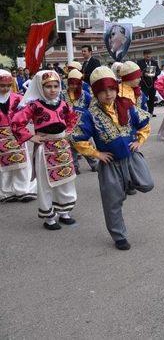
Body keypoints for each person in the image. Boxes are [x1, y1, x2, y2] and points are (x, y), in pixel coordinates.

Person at [72, 67, 154, 250]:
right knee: (112, 202)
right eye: (102, 91)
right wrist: (96, 154)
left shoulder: (126, 104)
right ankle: (119, 236)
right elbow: (76, 138)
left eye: (111, 89)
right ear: (95, 92)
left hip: (131, 157)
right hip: (109, 163)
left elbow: (145, 123)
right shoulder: (90, 114)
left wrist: (139, 140)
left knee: (147, 184)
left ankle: (127, 184)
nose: (108, 94)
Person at [11, 71, 79, 230]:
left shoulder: (62, 103)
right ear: (40, 87)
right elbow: (16, 122)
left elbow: (72, 117)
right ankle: (49, 217)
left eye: (56, 86)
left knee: (66, 180)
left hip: (62, 147)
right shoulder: (34, 105)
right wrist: (30, 137)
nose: (53, 89)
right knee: (45, 183)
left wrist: (68, 131)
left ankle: (64, 211)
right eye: (48, 86)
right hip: (44, 149)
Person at [0, 70, 36, 203]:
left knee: (21, 163)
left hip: (17, 134)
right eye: (2, 85)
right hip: (1, 137)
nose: (5, 88)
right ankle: (6, 192)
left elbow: (27, 113)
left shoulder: (18, 98)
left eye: (8, 85)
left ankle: (24, 190)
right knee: (4, 167)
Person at [62, 69, 98, 173]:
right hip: (68, 126)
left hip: (83, 126)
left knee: (86, 145)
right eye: (71, 84)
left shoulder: (85, 95)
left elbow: (92, 108)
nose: (73, 86)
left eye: (76, 84)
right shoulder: (62, 95)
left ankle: (94, 164)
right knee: (71, 147)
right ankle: (75, 167)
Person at [137, 49, 160, 117]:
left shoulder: (154, 62)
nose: (148, 55)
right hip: (144, 83)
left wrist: (154, 74)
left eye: (149, 54)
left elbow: (159, 71)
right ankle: (144, 112)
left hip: (153, 83)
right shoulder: (140, 62)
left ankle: (151, 112)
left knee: (152, 98)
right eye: (146, 54)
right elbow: (138, 72)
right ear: (144, 55)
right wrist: (144, 74)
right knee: (144, 98)